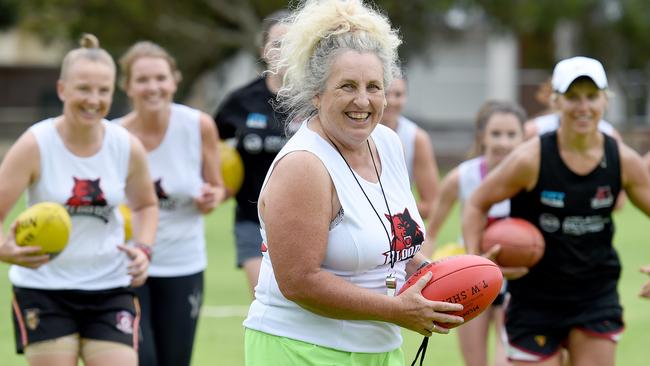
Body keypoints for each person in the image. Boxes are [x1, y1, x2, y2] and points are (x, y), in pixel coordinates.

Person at [243, 1, 465, 365]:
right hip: (299, 350)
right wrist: (397, 311)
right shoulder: (305, 165)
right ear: (316, 92)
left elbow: (389, 241)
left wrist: (426, 274)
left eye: (374, 87)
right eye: (347, 86)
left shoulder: (388, 143)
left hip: (379, 348)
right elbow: (300, 282)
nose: (363, 101)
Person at [462, 56, 650, 366]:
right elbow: (477, 202)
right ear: (555, 102)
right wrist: (475, 261)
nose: (583, 107)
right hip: (534, 299)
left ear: (605, 99)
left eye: (591, 96)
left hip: (595, 296)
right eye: (572, 97)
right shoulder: (531, 158)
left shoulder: (622, 160)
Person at [0, 34, 158, 366]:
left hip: (110, 288)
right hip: (44, 291)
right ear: (62, 90)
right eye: (83, 88)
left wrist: (143, 248)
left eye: (103, 90)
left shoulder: (125, 146)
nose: (93, 99)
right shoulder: (35, 145)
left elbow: (146, 205)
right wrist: (5, 249)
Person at [115, 41, 225, 366]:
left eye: (161, 78)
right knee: (140, 359)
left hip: (183, 263)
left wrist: (210, 197)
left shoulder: (198, 125)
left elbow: (217, 187)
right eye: (143, 80)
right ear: (127, 86)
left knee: (174, 360)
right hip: (127, 267)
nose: (153, 87)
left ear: (174, 80)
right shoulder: (113, 136)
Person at [421, 101, 526, 366]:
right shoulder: (462, 178)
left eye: (511, 134)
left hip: (517, 283)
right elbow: (430, 232)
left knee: (510, 361)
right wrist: (421, 277)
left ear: (523, 137)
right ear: (482, 136)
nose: (503, 142)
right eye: (496, 134)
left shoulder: (530, 178)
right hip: (472, 281)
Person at [213, 10, 291, 296]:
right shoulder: (241, 101)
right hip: (252, 217)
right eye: (278, 43)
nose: (284, 51)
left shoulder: (316, 99)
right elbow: (208, 143)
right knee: (265, 296)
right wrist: (215, 183)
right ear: (263, 50)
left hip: (305, 219)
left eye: (293, 43)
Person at [381, 74, 440, 218]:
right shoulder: (353, 133)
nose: (391, 101)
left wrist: (387, 210)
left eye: (398, 94)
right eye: (385, 93)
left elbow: (432, 204)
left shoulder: (416, 138)